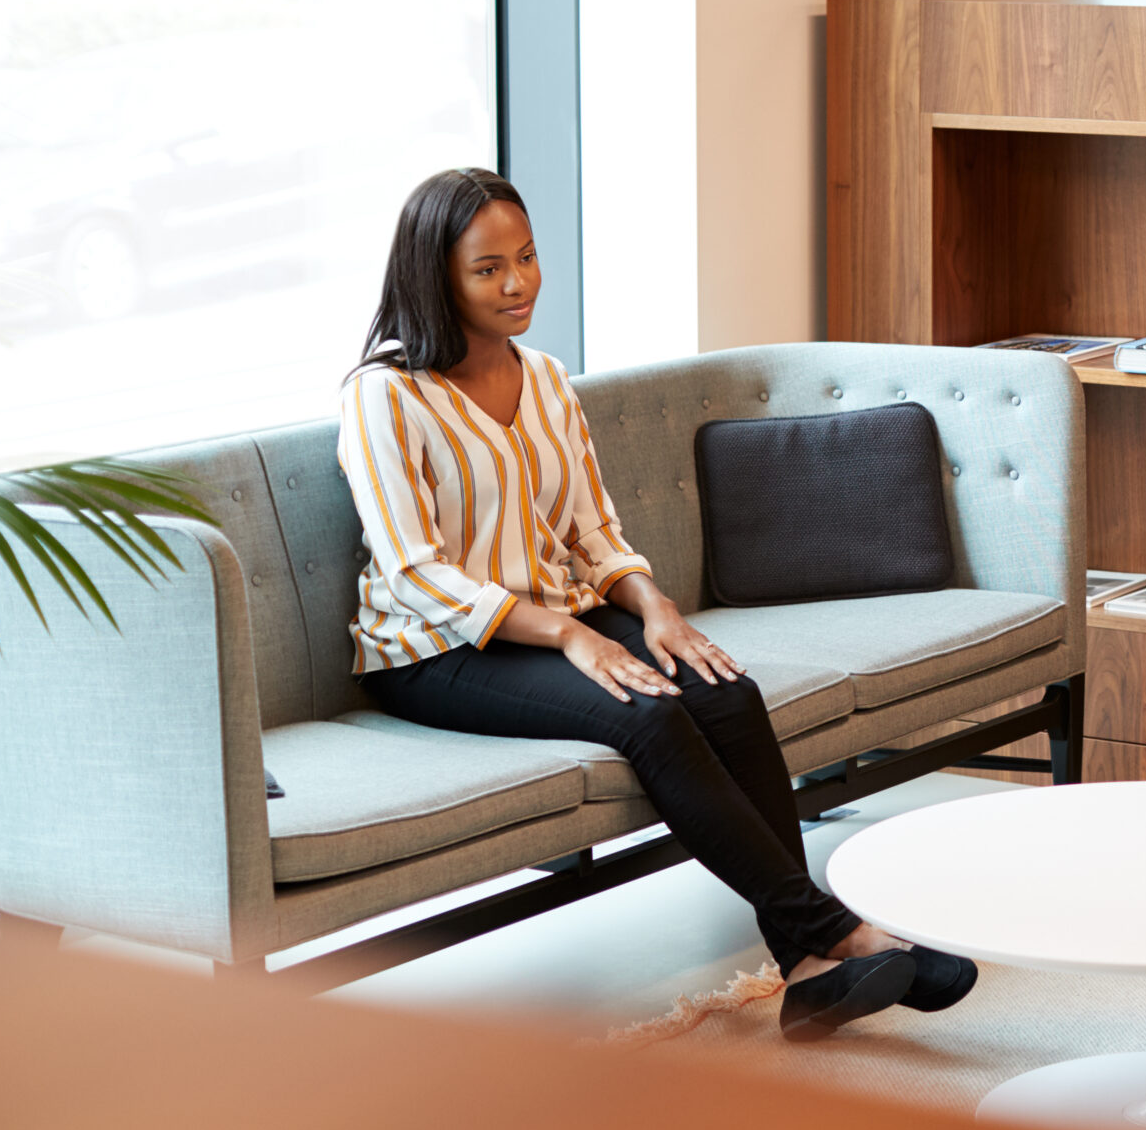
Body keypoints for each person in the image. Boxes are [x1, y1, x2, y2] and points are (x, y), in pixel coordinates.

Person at [336, 167, 975, 1039]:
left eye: (526, 258)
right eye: (489, 269)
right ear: (434, 274)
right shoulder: (385, 395)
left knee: (726, 691)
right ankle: (833, 933)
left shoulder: (548, 380)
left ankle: (808, 965)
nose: (518, 283)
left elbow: (593, 529)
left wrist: (654, 608)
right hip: (435, 650)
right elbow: (414, 569)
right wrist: (570, 635)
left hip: (552, 621)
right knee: (650, 715)